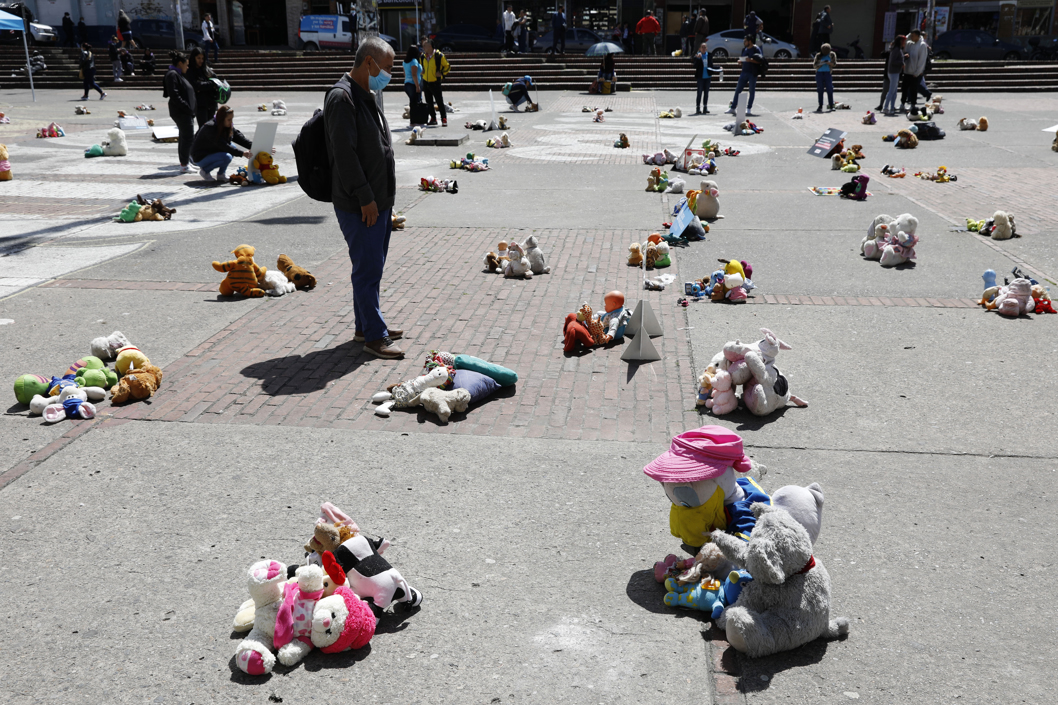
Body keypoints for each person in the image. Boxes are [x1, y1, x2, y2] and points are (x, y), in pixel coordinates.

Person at [324, 37, 403, 358]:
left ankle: (365, 325)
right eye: (386, 68)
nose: (389, 75)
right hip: (361, 203)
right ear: (368, 62)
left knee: (373, 267)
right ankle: (374, 335)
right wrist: (366, 198)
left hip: (377, 200)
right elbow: (344, 156)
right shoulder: (342, 98)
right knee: (368, 270)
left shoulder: (365, 93)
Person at [191, 105, 253, 181]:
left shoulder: (226, 126)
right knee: (227, 157)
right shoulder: (210, 128)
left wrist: (259, 146)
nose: (231, 122)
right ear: (221, 119)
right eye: (229, 120)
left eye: (232, 119)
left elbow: (241, 139)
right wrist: (242, 153)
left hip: (213, 151)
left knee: (232, 147)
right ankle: (205, 171)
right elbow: (223, 145)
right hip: (201, 156)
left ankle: (221, 174)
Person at [163, 51, 197, 173]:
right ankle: (184, 164)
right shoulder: (172, 75)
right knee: (188, 137)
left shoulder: (178, 74)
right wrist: (187, 108)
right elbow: (175, 95)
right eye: (186, 64)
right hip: (181, 112)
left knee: (184, 137)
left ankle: (186, 162)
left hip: (185, 112)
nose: (187, 67)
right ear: (180, 63)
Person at [727, 36, 762, 116]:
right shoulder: (744, 49)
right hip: (744, 72)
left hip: (752, 73)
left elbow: (760, 60)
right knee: (738, 90)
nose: (744, 42)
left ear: (750, 41)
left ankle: (749, 108)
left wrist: (751, 60)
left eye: (745, 41)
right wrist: (741, 61)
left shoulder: (756, 49)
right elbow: (743, 59)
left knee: (751, 91)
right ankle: (733, 108)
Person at [186, 47, 219, 130]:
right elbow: (196, 85)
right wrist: (211, 84)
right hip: (200, 105)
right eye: (198, 58)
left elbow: (216, 81)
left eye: (202, 58)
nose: (201, 60)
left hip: (211, 103)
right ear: (194, 58)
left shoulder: (206, 69)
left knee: (212, 127)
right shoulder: (190, 71)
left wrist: (210, 85)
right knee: (204, 128)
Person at [421, 39, 450, 127]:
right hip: (426, 81)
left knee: (439, 102)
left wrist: (441, 73)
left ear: (430, 46)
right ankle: (433, 118)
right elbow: (420, 66)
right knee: (429, 102)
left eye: (425, 46)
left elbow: (447, 66)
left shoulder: (439, 56)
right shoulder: (422, 56)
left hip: (435, 82)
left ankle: (444, 119)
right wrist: (421, 70)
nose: (423, 47)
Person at [901, 29, 928, 112]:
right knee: (904, 88)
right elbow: (905, 41)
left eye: (913, 35)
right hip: (907, 71)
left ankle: (913, 104)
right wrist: (909, 35)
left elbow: (922, 60)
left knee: (913, 89)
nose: (911, 37)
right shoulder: (910, 44)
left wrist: (917, 72)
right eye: (911, 35)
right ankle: (902, 103)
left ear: (917, 36)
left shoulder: (922, 45)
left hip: (914, 72)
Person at [692, 41, 720, 114]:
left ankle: (705, 108)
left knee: (706, 93)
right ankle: (698, 108)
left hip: (708, 77)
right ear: (700, 49)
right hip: (700, 77)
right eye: (702, 47)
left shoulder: (709, 56)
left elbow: (711, 66)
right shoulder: (697, 56)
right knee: (699, 93)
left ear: (706, 48)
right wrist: (698, 59)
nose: (704, 49)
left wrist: (719, 68)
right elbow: (695, 66)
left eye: (705, 47)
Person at [883, 36, 905, 116]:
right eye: (904, 41)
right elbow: (893, 61)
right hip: (893, 72)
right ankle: (885, 107)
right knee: (891, 91)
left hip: (895, 72)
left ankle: (892, 107)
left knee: (894, 91)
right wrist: (901, 63)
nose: (905, 43)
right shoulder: (896, 50)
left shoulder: (898, 49)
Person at [403, 44, 423, 125]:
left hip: (407, 84)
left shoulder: (405, 62)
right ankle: (414, 120)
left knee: (413, 102)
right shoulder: (414, 61)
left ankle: (414, 120)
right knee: (414, 103)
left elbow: (405, 74)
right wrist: (417, 86)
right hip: (413, 84)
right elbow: (414, 74)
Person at [813, 43, 836, 112]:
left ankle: (831, 105)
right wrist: (821, 63)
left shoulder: (832, 54)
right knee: (820, 89)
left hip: (827, 73)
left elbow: (834, 64)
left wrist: (829, 63)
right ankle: (820, 105)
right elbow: (814, 65)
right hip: (819, 73)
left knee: (829, 89)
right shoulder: (818, 55)